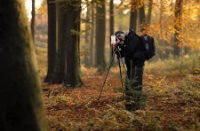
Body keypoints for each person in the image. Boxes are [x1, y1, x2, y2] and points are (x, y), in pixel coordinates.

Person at [113, 29, 145, 111]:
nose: (120, 39)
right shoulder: (126, 41)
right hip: (131, 66)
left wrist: (122, 44)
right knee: (129, 84)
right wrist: (117, 47)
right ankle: (130, 104)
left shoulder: (133, 37)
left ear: (123, 34)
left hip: (136, 66)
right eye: (118, 38)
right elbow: (122, 55)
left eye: (120, 37)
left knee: (136, 85)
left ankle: (137, 105)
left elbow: (130, 50)